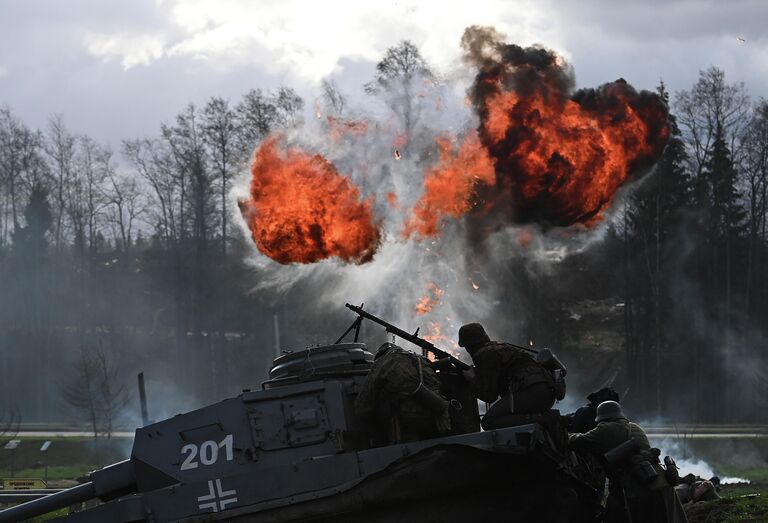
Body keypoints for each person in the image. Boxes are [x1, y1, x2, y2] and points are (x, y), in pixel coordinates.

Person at [569, 401, 689, 523]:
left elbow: (578, 441)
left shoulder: (604, 429)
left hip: (640, 490)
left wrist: (567, 433)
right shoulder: (636, 427)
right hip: (662, 483)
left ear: (601, 417)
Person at [458, 323, 556, 430]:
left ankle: (546, 419)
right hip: (546, 389)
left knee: (489, 421)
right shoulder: (499, 347)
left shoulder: (484, 354)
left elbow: (489, 396)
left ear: (469, 346)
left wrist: (473, 379)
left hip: (531, 391)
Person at [354, 343, 451, 442]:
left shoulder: (383, 362)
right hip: (438, 420)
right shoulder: (420, 359)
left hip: (407, 424)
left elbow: (362, 407)